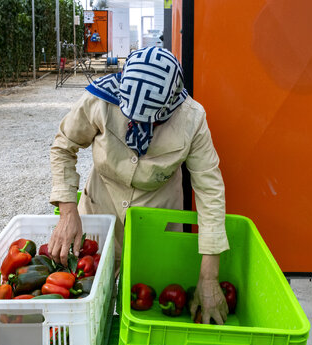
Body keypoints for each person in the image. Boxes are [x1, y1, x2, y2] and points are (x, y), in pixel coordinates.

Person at [48, 47, 229, 324]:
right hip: (100, 207)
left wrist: (209, 276)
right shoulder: (101, 99)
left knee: (151, 305)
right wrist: (68, 211)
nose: (137, 124)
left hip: (157, 220)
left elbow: (209, 188)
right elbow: (64, 146)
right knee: (89, 298)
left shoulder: (191, 119)